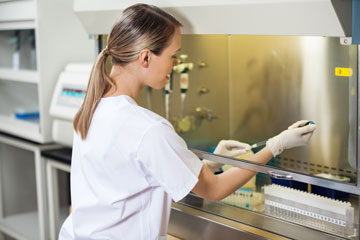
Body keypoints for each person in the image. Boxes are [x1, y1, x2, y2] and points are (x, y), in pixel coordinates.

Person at [59, 3, 316, 240]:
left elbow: (135, 173)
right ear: (146, 57)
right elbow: (214, 190)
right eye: (173, 56)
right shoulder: (148, 129)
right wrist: (275, 145)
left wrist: (208, 162)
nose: (174, 66)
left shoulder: (93, 107)